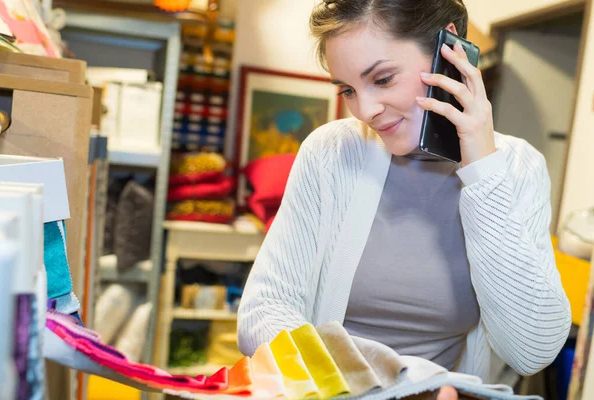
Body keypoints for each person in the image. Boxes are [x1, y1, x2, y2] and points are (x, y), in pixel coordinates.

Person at [237, 0, 571, 399]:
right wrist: (379, 385)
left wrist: (482, 170)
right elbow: (263, 311)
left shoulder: (518, 169)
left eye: (381, 79)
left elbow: (532, 350)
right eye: (348, 90)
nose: (366, 111)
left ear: (450, 50)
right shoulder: (330, 152)